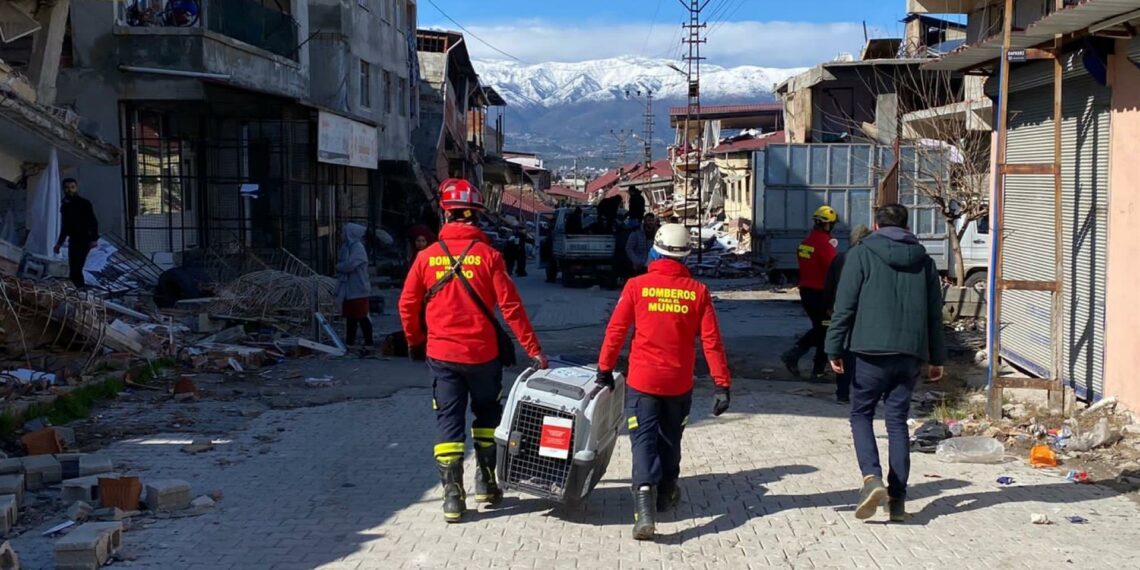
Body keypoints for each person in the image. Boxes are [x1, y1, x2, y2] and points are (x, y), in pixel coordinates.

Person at [398, 178, 548, 524]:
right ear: (476, 217)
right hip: (484, 357)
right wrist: (534, 350)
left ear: (445, 216)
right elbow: (512, 308)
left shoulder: (425, 258)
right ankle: (487, 484)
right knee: (487, 418)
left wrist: (416, 340)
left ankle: (453, 497)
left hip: (442, 357)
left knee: (448, 423)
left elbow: (407, 304)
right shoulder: (490, 257)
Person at [596, 223, 731, 541]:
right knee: (671, 438)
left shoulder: (636, 286)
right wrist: (721, 384)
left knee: (642, 441)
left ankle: (644, 509)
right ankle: (667, 492)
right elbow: (712, 341)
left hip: (642, 382)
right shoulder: (697, 292)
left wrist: (604, 368)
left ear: (655, 250)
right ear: (685, 255)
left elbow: (616, 331)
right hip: (679, 384)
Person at [825, 204, 946, 524]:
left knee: (861, 414)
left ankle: (871, 479)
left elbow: (844, 305)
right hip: (910, 353)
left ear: (876, 226)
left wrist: (833, 348)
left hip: (869, 352)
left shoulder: (861, 254)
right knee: (897, 422)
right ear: (907, 227)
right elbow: (935, 314)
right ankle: (898, 499)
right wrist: (937, 358)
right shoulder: (925, 261)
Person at [781, 205, 839, 381]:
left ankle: (794, 355)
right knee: (826, 330)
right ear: (828, 225)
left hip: (807, 293)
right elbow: (832, 272)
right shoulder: (826, 245)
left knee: (820, 328)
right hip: (822, 295)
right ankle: (817, 370)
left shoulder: (804, 244)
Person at [823, 224, 872, 404]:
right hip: (864, 313)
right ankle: (863, 392)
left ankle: (842, 393)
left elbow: (828, 285)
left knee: (843, 352)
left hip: (841, 311)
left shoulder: (840, 258)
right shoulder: (870, 259)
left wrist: (829, 307)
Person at [53, 178, 99, 289]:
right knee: (73, 268)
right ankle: (78, 289)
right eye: (67, 188)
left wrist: (94, 239)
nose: (69, 190)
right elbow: (65, 226)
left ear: (76, 188)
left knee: (77, 268)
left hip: (84, 239)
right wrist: (59, 243)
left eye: (72, 187)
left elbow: (93, 221)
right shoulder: (65, 205)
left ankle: (80, 289)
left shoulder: (83, 203)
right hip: (74, 239)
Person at [336, 223, 373, 353]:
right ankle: (349, 342)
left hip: (359, 287)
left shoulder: (357, 248)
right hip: (349, 288)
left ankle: (369, 342)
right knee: (350, 317)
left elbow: (350, 265)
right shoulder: (347, 247)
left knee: (361, 316)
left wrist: (338, 267)